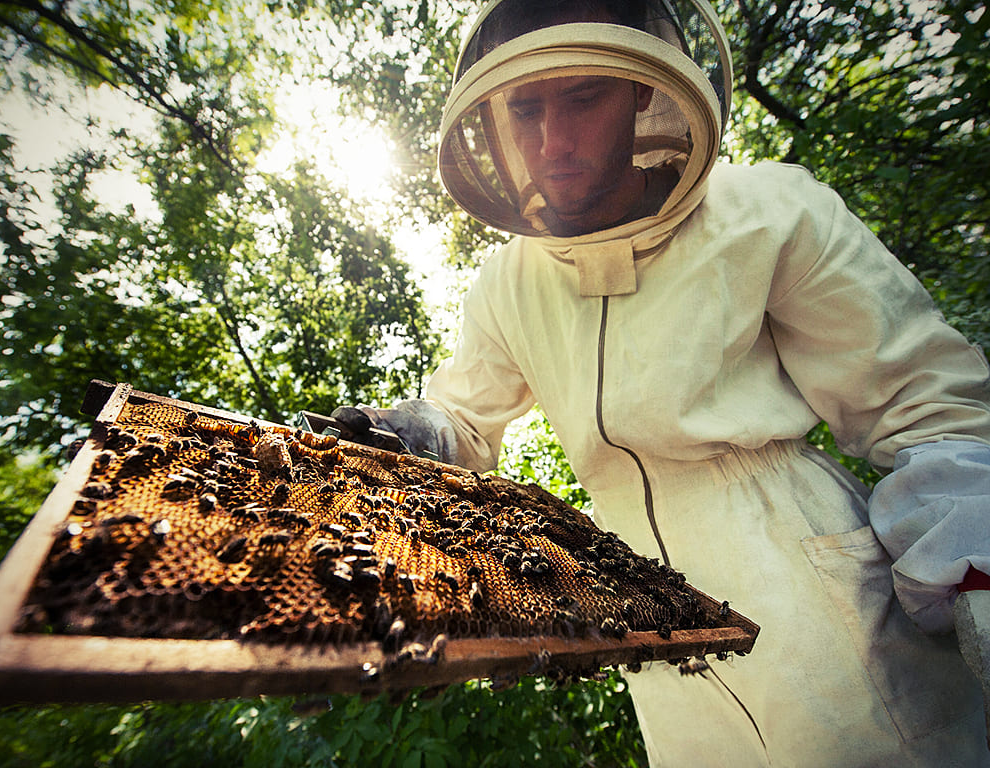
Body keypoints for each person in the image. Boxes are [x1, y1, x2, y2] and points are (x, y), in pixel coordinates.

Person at [334, 0, 990, 764]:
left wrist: (975, 572)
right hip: (650, 626)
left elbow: (924, 408)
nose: (553, 140)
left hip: (819, 600)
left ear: (643, 88)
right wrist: (409, 433)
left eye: (583, 98)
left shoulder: (768, 211)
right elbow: (462, 420)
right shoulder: (507, 282)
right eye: (526, 109)